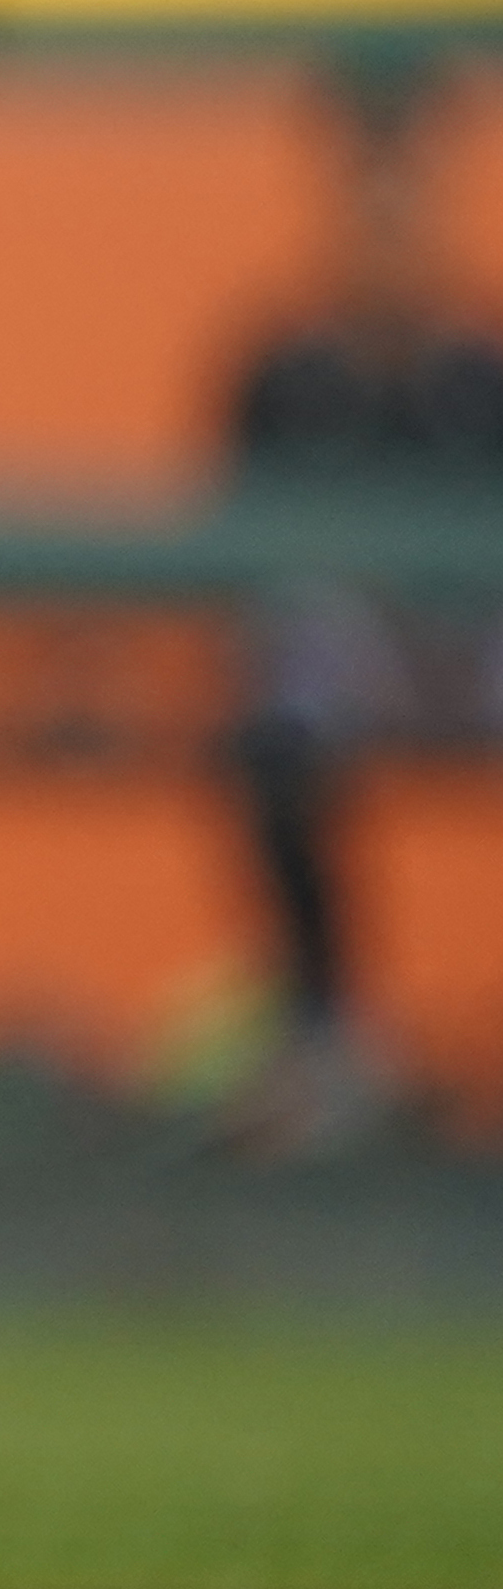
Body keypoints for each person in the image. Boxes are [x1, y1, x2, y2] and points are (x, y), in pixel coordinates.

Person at [215, 64, 503, 1156]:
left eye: (410, 177)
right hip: (349, 654)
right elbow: (229, 567)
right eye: (368, 176)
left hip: (474, 647)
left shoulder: (482, 367)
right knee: (280, 705)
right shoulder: (283, 368)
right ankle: (327, 1032)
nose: (388, 205)